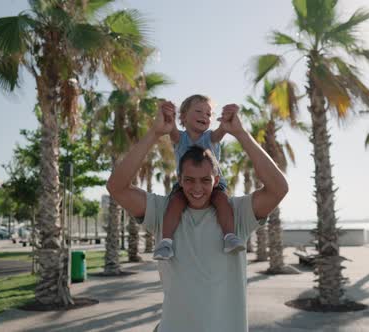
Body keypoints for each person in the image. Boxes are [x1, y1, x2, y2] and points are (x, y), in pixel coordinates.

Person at [106, 102, 288, 332]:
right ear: (179, 180)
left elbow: (278, 188)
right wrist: (154, 133)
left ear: (216, 180)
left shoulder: (237, 213)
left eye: (205, 180)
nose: (197, 189)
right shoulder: (163, 212)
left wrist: (241, 134)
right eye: (189, 180)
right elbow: (117, 187)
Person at [153, 95, 244, 260]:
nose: (205, 116)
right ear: (183, 117)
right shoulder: (180, 138)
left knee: (222, 201)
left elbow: (222, 131)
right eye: (199, 111)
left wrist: (228, 119)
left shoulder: (210, 137)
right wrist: (167, 114)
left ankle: (229, 236)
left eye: (209, 114)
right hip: (184, 185)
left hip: (214, 185)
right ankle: (165, 242)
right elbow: (170, 128)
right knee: (174, 203)